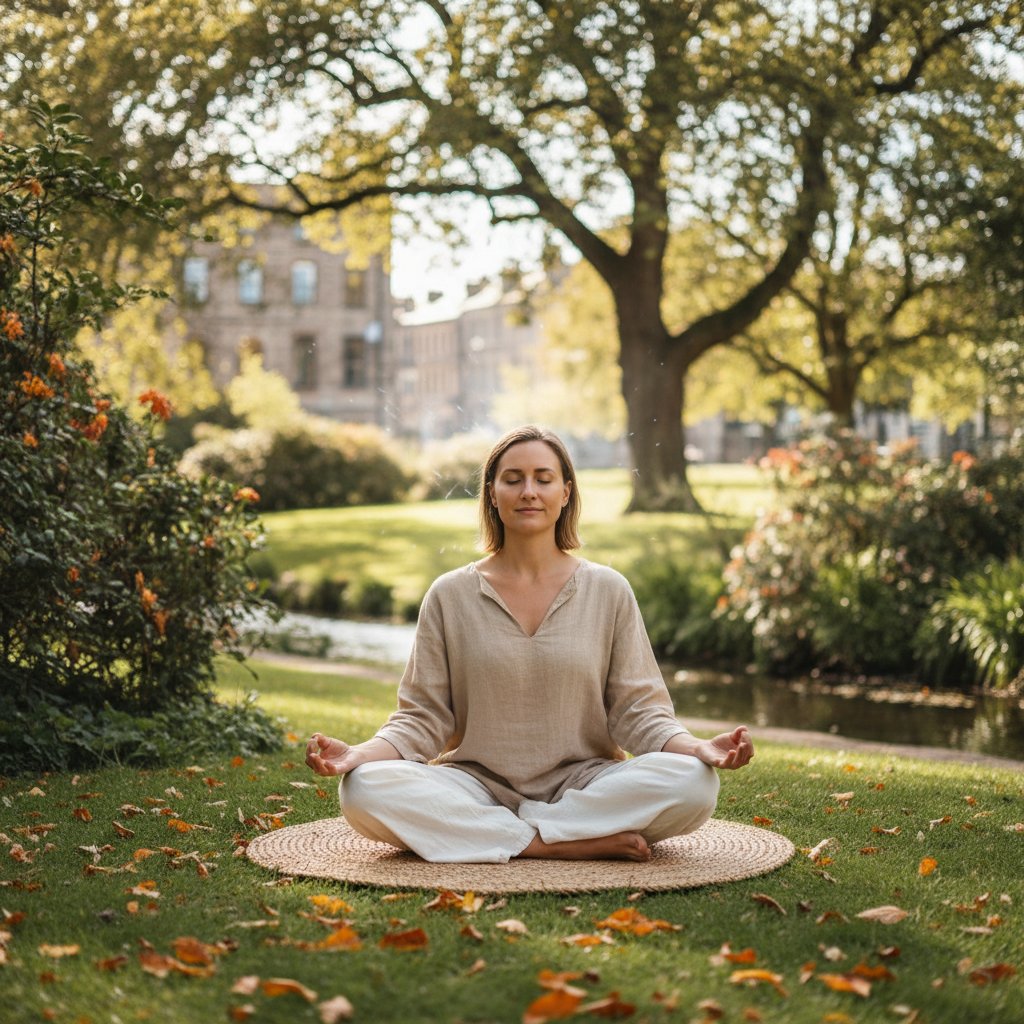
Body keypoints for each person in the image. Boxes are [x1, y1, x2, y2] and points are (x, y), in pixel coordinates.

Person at [306, 425, 753, 863]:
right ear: (492, 493)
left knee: (696, 783)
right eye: (513, 479)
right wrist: (360, 754)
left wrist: (695, 748)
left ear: (565, 493)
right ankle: (552, 843)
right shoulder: (449, 595)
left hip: (586, 784)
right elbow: (422, 718)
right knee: (363, 789)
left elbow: (639, 711)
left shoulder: (608, 590)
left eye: (543, 478)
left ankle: (507, 835)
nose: (529, 492)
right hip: (474, 786)